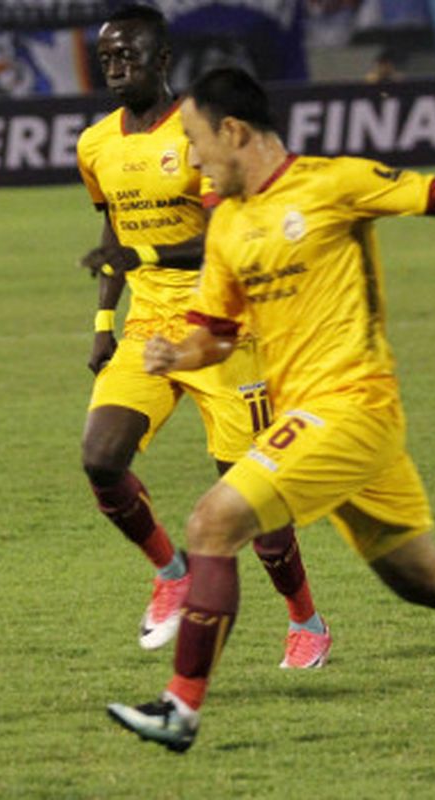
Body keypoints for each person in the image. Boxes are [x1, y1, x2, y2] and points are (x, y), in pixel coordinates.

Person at [106, 66, 435, 752]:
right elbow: (217, 332)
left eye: (197, 141)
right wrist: (179, 354)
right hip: (322, 426)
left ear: (233, 132)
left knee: (213, 518)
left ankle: (180, 709)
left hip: (353, 405)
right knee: (422, 579)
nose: (192, 160)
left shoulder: (331, 181)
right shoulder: (227, 225)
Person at [76, 4, 331, 667]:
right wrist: (105, 320)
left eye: (128, 55)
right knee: (101, 459)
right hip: (149, 329)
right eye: (107, 57)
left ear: (163, 62)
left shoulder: (205, 134)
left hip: (224, 333)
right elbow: (115, 234)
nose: (116, 67)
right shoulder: (95, 144)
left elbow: (223, 239)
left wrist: (147, 260)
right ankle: (170, 574)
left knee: (252, 499)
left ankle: (305, 619)